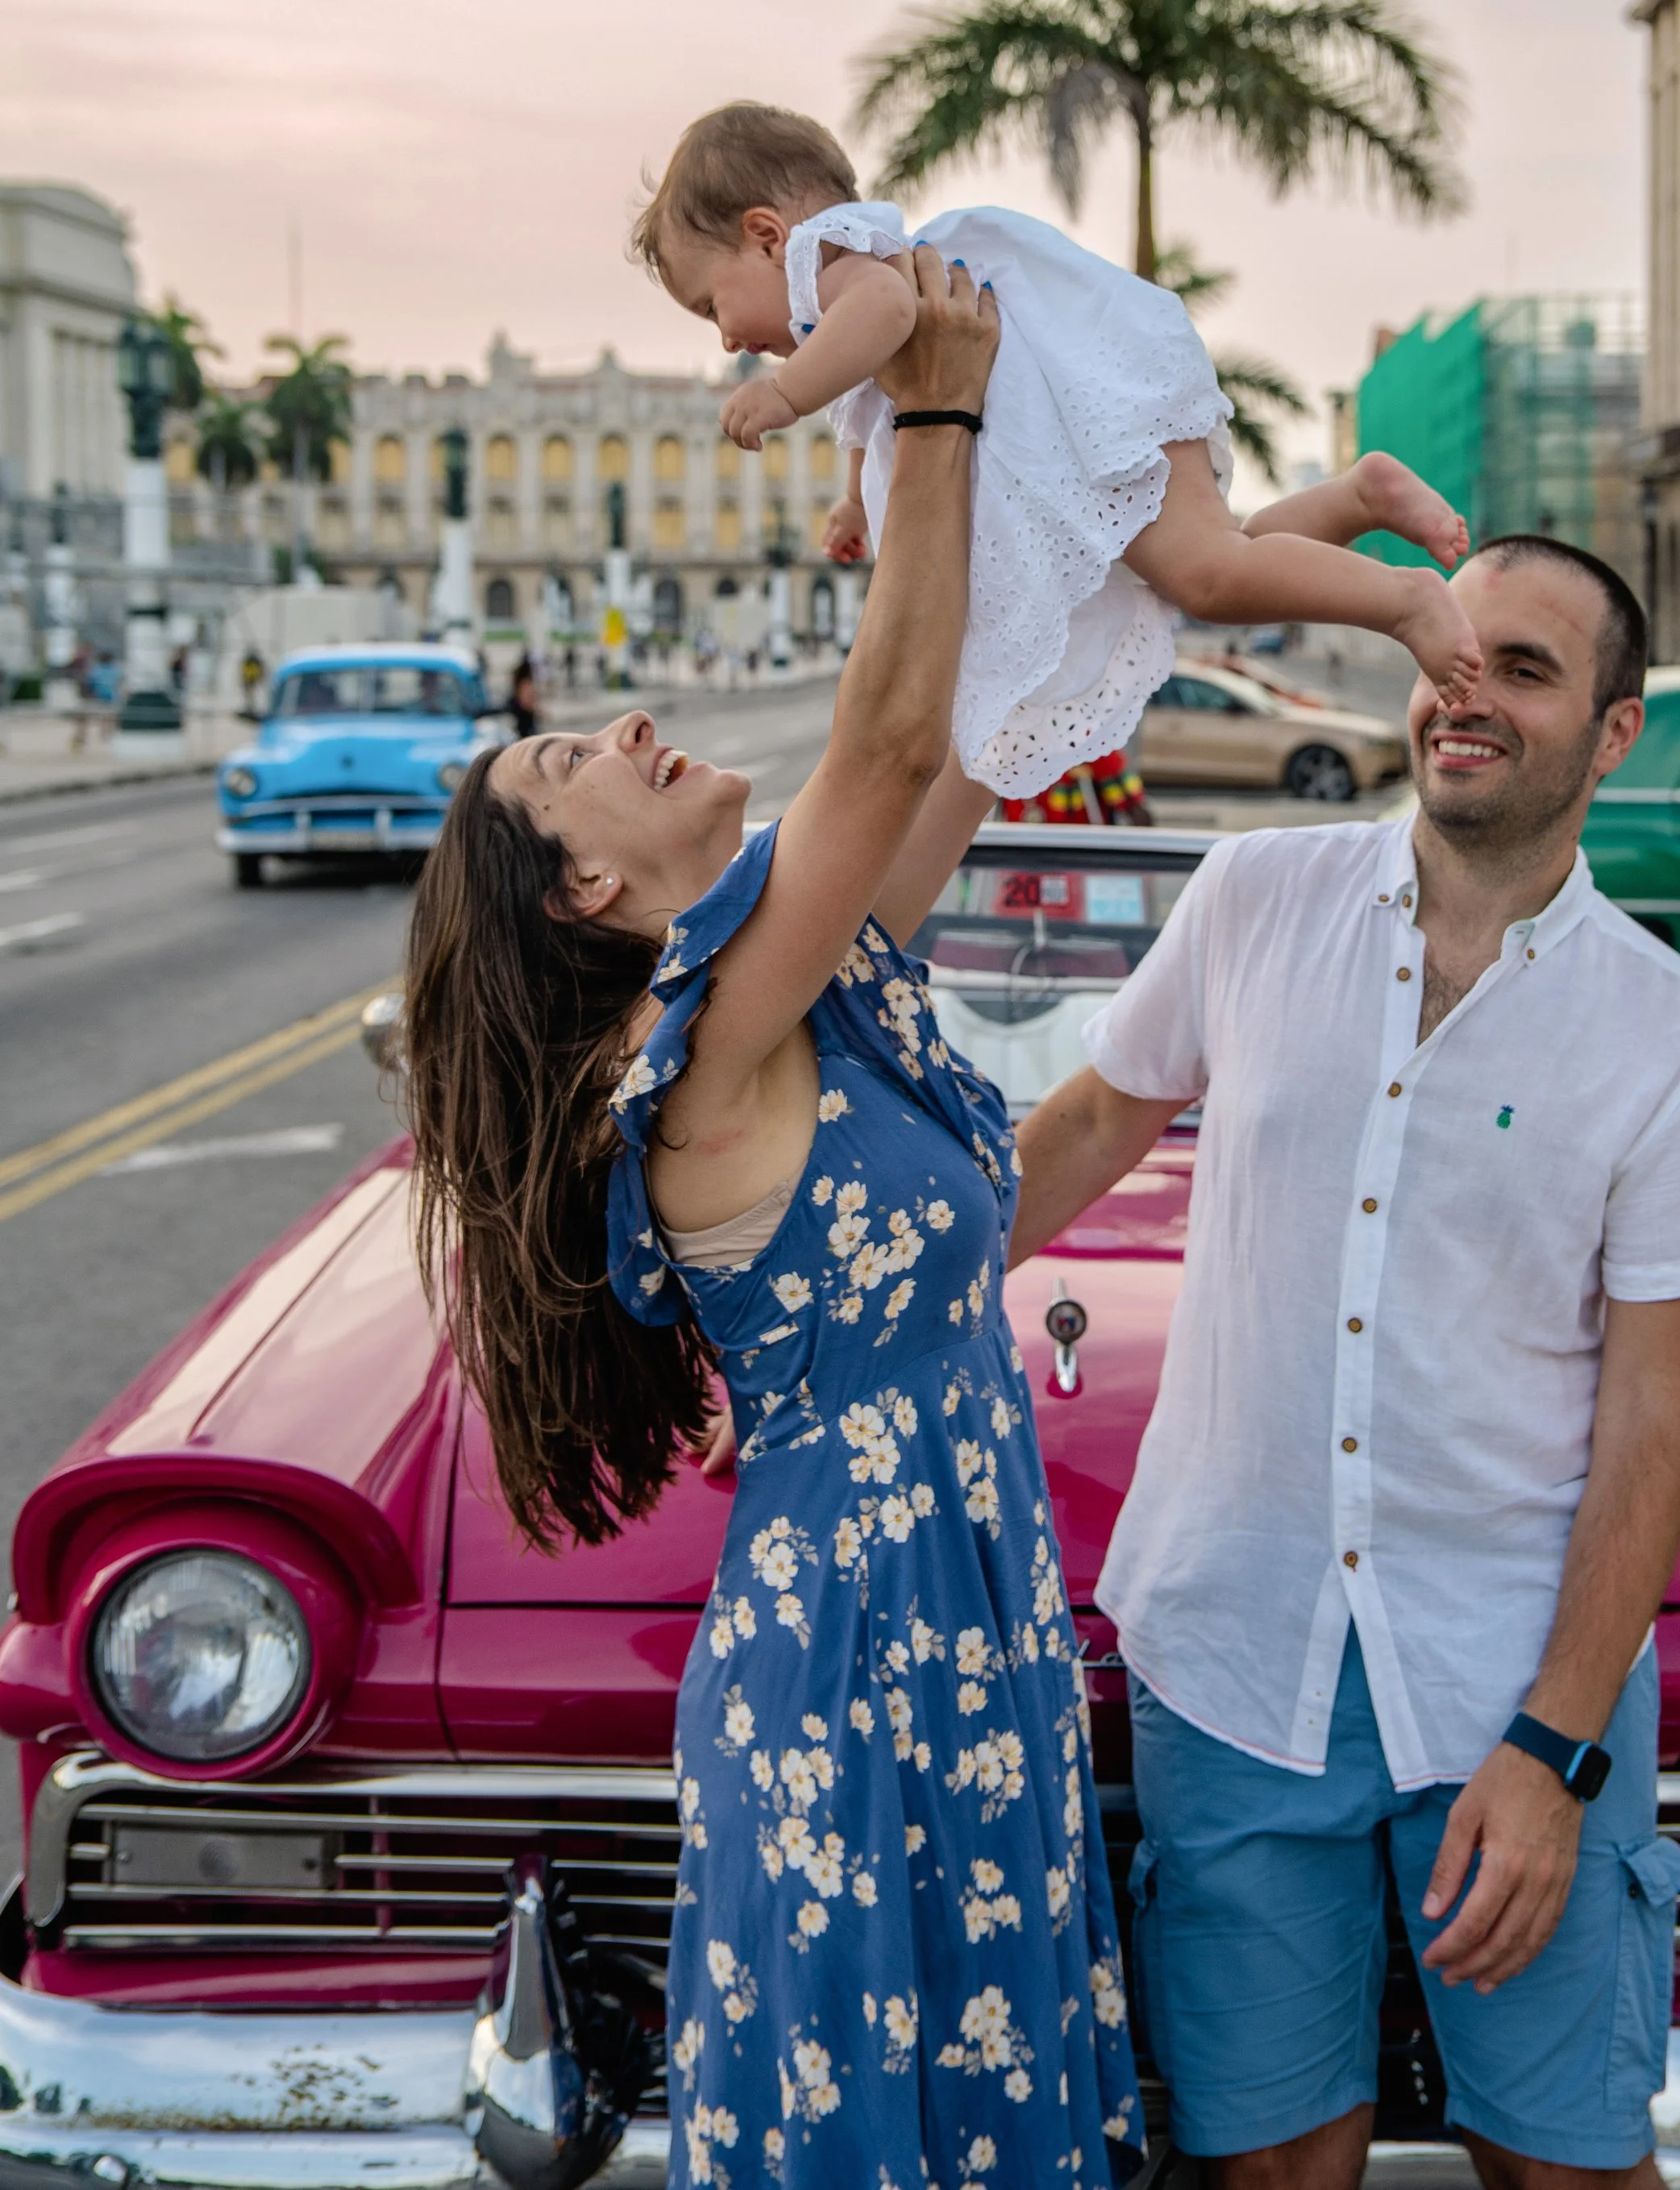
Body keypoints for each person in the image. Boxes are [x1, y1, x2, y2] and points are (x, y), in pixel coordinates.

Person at [401, 251, 1141, 2190]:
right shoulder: (702, 1043)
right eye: (578, 763)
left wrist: (1087, 511)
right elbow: (883, 741)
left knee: (976, 2110)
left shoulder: (804, 979)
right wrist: (935, 401)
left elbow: (973, 739)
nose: (631, 726)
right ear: (578, 888)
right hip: (854, 1647)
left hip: (964, 1615)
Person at [1012, 537, 1680, 2189]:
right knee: (1268, 2169)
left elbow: (1651, 1422)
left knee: (1558, 2165)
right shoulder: (1250, 896)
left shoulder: (1672, 1041)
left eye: (1522, 668)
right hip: (1230, 1658)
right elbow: (1078, 1129)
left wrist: (1554, 1749)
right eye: (1446, 649)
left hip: (1507, 1684)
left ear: (1613, 730)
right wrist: (836, 1322)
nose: (1463, 691)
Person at [632, 102, 1481, 800]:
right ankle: (1355, 497)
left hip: (1094, 414)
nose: (724, 341)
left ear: (767, 235)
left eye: (711, 307)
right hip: (1084, 433)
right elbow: (866, 416)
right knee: (1210, 561)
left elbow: (883, 318)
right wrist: (855, 499)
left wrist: (781, 394)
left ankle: (1401, 600)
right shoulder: (838, 311)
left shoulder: (843, 259)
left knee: (1207, 576)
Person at [507, 652, 540, 737]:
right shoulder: (526, 684)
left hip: (520, 714)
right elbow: (526, 701)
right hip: (525, 715)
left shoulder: (519, 683)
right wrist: (536, 710)